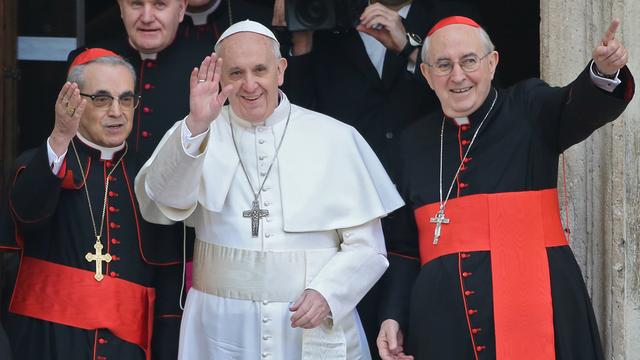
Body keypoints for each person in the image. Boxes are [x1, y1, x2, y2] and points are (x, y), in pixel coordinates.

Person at [134, 20, 404, 359]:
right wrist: (197, 124)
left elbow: (368, 248)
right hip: (219, 329)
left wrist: (328, 294)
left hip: (308, 324)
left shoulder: (335, 137)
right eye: (235, 73)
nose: (250, 85)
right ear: (220, 77)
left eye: (260, 70)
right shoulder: (196, 131)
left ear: (280, 70)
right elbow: (161, 205)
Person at [377, 15, 634, 360]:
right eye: (443, 64)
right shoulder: (411, 144)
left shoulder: (530, 108)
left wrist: (602, 73)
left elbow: (578, 106)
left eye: (469, 61)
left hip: (539, 306)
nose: (458, 76)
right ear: (426, 74)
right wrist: (393, 315)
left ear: (492, 63)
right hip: (441, 328)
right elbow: (404, 247)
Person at [284, 2, 438, 356]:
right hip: (347, 216)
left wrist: (411, 48)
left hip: (424, 204)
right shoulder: (329, 24)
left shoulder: (442, 17)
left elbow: (468, 99)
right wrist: (302, 37)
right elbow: (298, 117)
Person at [4, 48, 157, 360]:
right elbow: (26, 215)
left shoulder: (150, 176)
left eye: (126, 99)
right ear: (73, 102)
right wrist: (60, 136)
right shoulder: (38, 163)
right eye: (102, 99)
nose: (117, 111)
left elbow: (167, 277)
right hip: (47, 343)